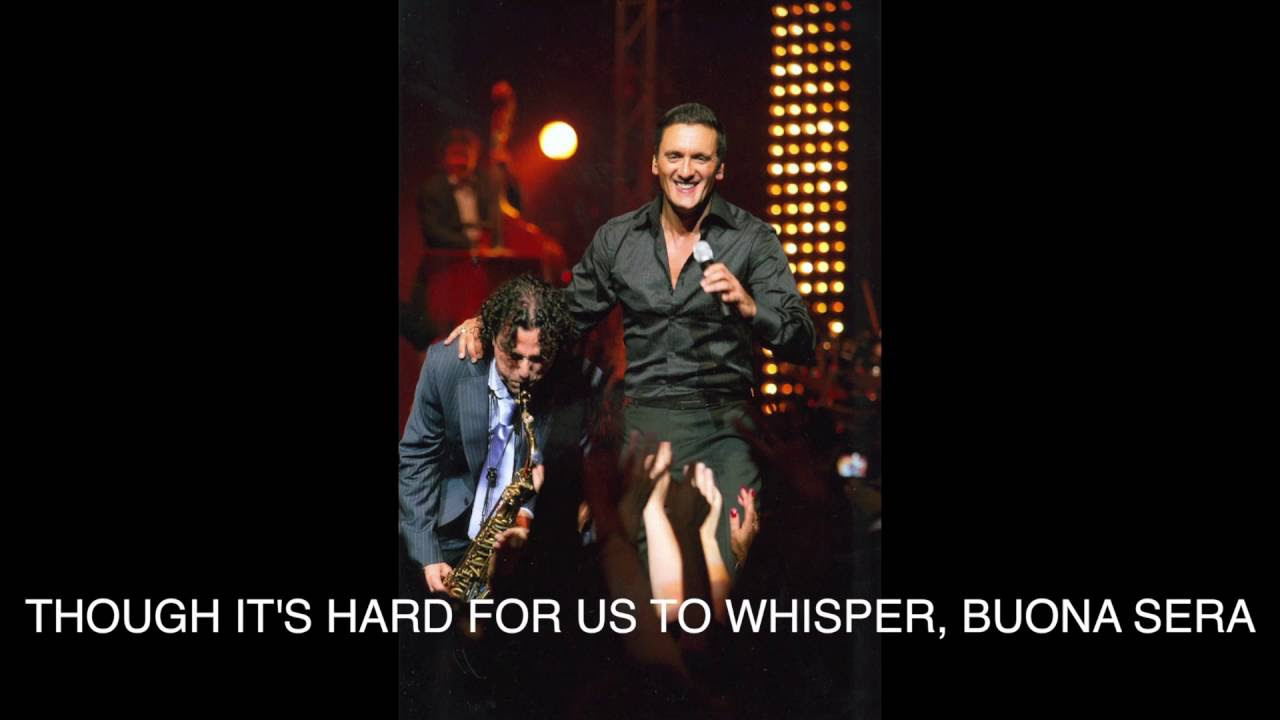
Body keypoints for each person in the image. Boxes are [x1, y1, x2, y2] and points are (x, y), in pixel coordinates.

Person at [448, 102, 815, 577]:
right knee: (639, 580)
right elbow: (565, 312)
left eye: (700, 158)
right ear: (656, 163)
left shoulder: (753, 239)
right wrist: (491, 320)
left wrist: (750, 306)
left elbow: (801, 339)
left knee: (718, 577)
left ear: (720, 168)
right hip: (644, 428)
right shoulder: (619, 239)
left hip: (723, 428)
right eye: (675, 156)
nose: (686, 170)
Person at [399, 274, 590, 593]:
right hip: (451, 536)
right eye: (513, 356)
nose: (525, 372)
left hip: (533, 543)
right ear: (491, 336)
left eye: (538, 359)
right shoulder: (446, 367)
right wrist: (427, 556)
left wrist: (529, 517)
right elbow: (418, 460)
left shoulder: (575, 382)